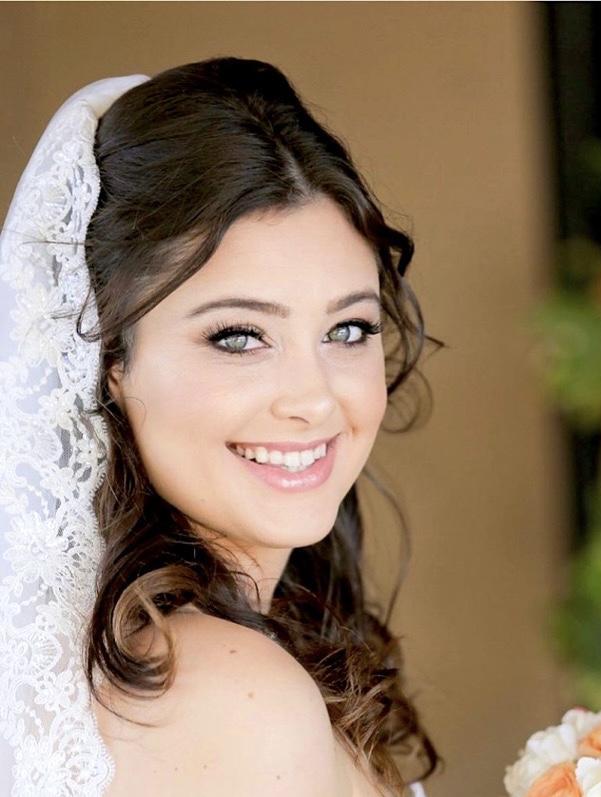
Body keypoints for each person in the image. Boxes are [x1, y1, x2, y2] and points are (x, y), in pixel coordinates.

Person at [0, 57, 441, 796]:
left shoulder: (197, 661)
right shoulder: (230, 696)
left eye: (348, 329)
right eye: (239, 336)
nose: (313, 399)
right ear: (110, 363)